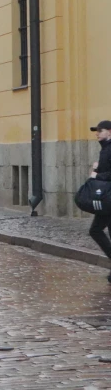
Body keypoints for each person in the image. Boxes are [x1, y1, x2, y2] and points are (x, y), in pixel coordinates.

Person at [88, 121, 111, 282]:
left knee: (96, 230)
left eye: (100, 131)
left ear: (109, 131)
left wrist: (97, 175)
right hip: (106, 198)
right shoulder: (105, 148)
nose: (97, 133)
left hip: (109, 198)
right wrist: (97, 168)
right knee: (96, 230)